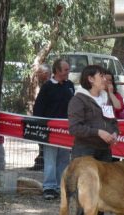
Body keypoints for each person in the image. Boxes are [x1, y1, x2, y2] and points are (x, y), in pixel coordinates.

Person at [67, 64, 119, 215]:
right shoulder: (79, 99)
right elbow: (74, 128)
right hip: (84, 152)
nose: (105, 78)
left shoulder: (106, 98)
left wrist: (114, 134)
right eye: (101, 75)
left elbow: (113, 121)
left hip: (104, 151)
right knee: (82, 193)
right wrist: (97, 132)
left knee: (101, 192)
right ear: (90, 79)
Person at [32, 59, 74, 200]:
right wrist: (41, 126)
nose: (68, 72)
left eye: (68, 69)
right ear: (57, 71)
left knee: (63, 159)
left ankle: (61, 186)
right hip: (50, 130)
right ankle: (49, 187)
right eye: (66, 69)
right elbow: (38, 108)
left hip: (65, 130)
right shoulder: (47, 87)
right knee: (50, 158)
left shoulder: (70, 86)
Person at [29, 64, 53, 171]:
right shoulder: (44, 84)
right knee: (41, 143)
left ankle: (43, 164)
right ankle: (40, 162)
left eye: (39, 73)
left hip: (47, 120)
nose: (37, 75)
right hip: (41, 119)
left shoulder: (49, 85)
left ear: (46, 74)